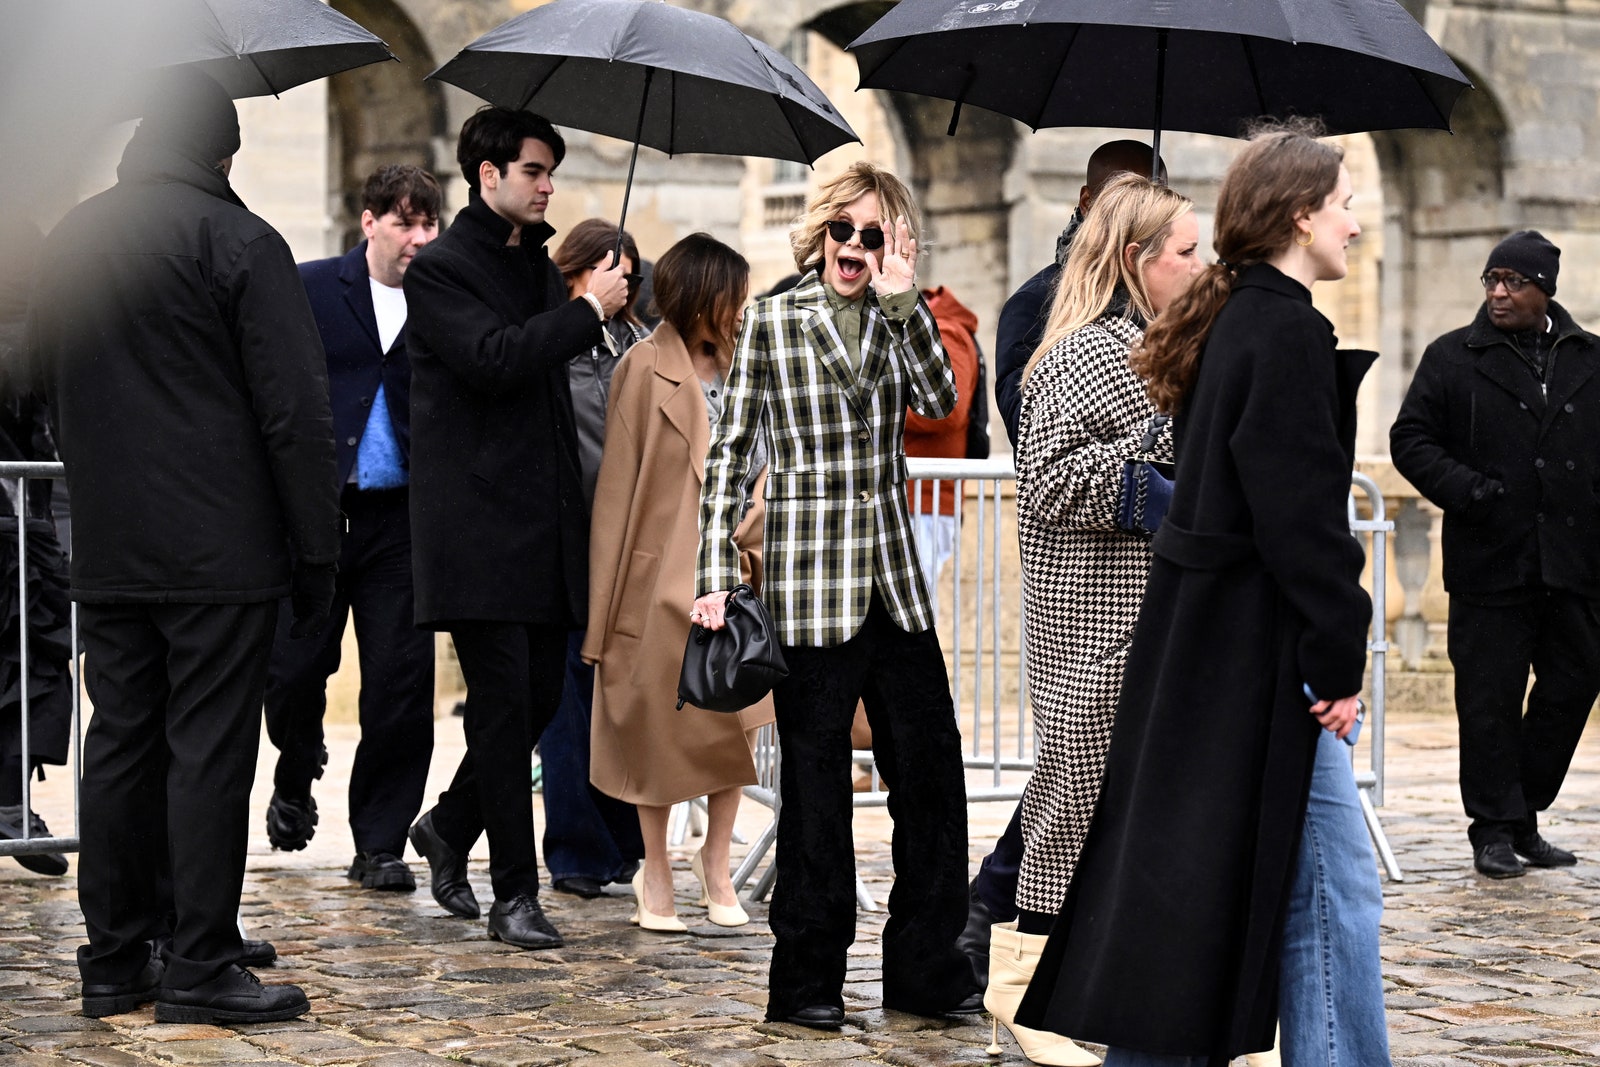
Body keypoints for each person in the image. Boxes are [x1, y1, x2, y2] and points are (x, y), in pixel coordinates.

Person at [1016, 123, 1387, 1066]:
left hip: (1215, 648)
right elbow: (1297, 521)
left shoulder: (1239, 320)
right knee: (1325, 887)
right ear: (1301, 216)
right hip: (1261, 659)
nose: (1355, 220)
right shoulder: (1282, 329)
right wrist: (1338, 654)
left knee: (1218, 890)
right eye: (1342, 202)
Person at [30, 68, 337, 1023]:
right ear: (222, 151)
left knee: (120, 744)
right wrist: (316, 550)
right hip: (221, 549)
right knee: (207, 748)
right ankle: (199, 960)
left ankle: (117, 956)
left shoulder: (74, 239)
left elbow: (39, 381)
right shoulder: (242, 238)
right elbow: (295, 413)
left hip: (114, 540)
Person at [693, 162, 978, 1030]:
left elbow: (942, 400)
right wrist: (711, 573)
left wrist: (904, 303)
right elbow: (731, 453)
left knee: (932, 778)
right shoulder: (776, 321)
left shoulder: (904, 319)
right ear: (818, 235)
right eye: (844, 231)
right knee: (816, 795)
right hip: (811, 588)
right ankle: (807, 979)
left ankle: (927, 967)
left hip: (894, 585)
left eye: (875, 234)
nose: (856, 247)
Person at [986, 174, 1200, 1067]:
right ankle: (1020, 991)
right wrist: (1152, 460)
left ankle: (1121, 993)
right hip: (1090, 617)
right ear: (1135, 260)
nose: (1203, 264)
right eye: (1187, 251)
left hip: (1158, 609)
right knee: (1072, 800)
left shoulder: (1164, 344)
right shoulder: (1079, 354)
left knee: (1132, 814)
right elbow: (1048, 478)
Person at [403, 106, 628, 950]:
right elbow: (495, 359)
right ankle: (515, 896)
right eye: (534, 171)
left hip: (545, 529)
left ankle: (449, 826)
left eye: (551, 172)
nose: (548, 186)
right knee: (503, 703)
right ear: (487, 173)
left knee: (534, 699)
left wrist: (588, 306)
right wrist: (586, 311)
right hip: (478, 529)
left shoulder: (536, 266)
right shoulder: (441, 271)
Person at [963, 141, 1167, 986]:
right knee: (1079, 768)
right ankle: (1002, 924)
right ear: (1089, 203)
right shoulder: (1045, 311)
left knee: (1106, 775)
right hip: (1088, 582)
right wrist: (1146, 470)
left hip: (1153, 585)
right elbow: (1034, 437)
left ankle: (1062, 944)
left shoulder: (1170, 314)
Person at [1391, 230, 1600, 879]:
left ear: (1546, 290)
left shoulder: (1590, 358)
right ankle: (1492, 828)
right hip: (1490, 558)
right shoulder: (1452, 358)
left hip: (1571, 560)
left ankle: (1522, 808)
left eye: (1513, 281)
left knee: (1574, 681)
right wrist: (1468, 490)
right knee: (1489, 697)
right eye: (1491, 280)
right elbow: (1412, 439)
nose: (1498, 292)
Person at [261, 164, 442, 895]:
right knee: (293, 670)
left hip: (401, 520)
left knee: (401, 686)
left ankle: (380, 843)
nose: (418, 239)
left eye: (429, 224)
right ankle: (296, 768)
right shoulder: (311, 289)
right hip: (318, 514)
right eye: (404, 223)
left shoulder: (442, 302)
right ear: (369, 222)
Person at [584, 232, 771, 931]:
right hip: (659, 579)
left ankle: (715, 861)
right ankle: (654, 869)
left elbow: (769, 461)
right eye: (732, 295)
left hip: (735, 571)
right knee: (657, 736)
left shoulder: (749, 362)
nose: (741, 307)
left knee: (735, 725)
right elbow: (618, 487)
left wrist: (757, 526)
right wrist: (607, 613)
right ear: (702, 294)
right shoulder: (641, 366)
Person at [539, 218, 649, 900]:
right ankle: (576, 850)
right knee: (568, 703)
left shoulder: (638, 344)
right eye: (609, 271)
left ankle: (626, 841)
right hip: (567, 544)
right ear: (575, 272)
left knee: (624, 700)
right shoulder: (553, 342)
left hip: (631, 548)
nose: (620, 285)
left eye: (630, 276)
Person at [904, 286, 979, 604]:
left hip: (923, 504)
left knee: (910, 618)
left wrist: (871, 408)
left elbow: (949, 411)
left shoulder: (946, 331)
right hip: (911, 501)